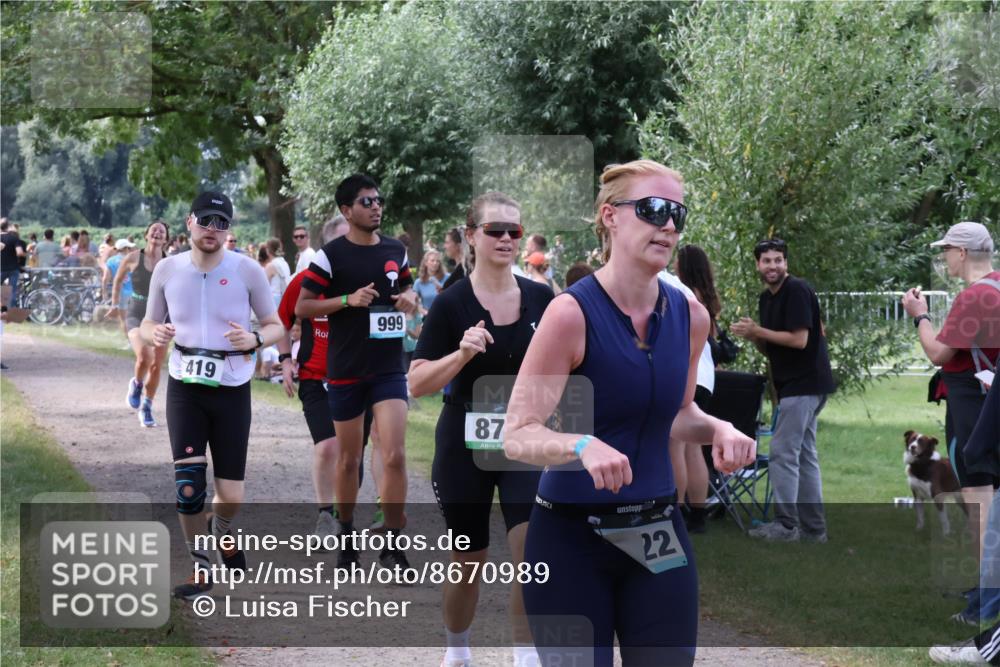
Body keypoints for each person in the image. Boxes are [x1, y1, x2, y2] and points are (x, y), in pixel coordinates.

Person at [504, 159, 755, 666]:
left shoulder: (691, 316)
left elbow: (678, 415)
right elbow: (516, 433)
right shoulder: (571, 313)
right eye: (653, 209)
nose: (667, 225)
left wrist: (720, 428)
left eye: (676, 215)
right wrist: (579, 443)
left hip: (656, 532)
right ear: (610, 217)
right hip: (569, 540)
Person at [409, 192, 552, 667]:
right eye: (496, 230)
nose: (508, 239)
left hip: (523, 435)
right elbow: (416, 382)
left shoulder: (541, 296)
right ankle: (458, 650)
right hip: (463, 438)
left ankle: (525, 655)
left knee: (531, 548)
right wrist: (462, 354)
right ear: (471, 236)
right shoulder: (452, 303)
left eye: (515, 230)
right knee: (469, 561)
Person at [141, 192, 283, 600]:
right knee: (188, 485)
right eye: (206, 221)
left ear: (229, 230)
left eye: (221, 224)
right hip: (185, 382)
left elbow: (276, 325)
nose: (213, 231)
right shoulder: (168, 270)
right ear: (189, 222)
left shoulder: (247, 270)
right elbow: (151, 321)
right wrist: (158, 333)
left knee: (230, 495)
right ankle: (201, 569)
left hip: (232, 385)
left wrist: (254, 339)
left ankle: (223, 532)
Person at [296, 173, 418, 571]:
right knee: (349, 460)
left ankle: (393, 544)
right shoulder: (330, 256)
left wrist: (409, 300)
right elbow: (304, 307)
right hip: (346, 369)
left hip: (388, 369)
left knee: (396, 454)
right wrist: (347, 300)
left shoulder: (396, 250)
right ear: (346, 211)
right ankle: (347, 535)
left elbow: (408, 289)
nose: (376, 206)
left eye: (378, 200)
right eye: (366, 201)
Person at [903, 221, 999, 625]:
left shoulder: (975, 296)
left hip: (972, 410)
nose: (944, 258)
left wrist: (919, 316)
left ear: (961, 252)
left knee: (980, 506)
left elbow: (939, 354)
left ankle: (985, 606)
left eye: (946, 250)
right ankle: (983, 592)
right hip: (990, 402)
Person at [731, 238, 836, 543]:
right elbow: (776, 346)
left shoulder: (797, 290)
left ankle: (786, 526)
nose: (773, 266)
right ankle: (814, 530)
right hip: (795, 385)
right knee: (803, 455)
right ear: (758, 265)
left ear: (786, 264)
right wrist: (755, 338)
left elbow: (799, 340)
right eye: (767, 261)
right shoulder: (768, 299)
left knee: (782, 454)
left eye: (778, 260)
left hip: (806, 384)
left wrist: (757, 331)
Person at [665, 243, 722, 534]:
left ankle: (673, 516)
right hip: (706, 377)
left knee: (675, 445)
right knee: (694, 448)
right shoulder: (706, 295)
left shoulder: (677, 291)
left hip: (687, 372)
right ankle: (697, 515)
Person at [109, 222, 170, 428]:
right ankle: (136, 384)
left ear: (166, 239)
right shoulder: (133, 257)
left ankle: (147, 406)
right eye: (154, 229)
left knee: (156, 364)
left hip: (161, 315)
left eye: (162, 231)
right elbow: (117, 281)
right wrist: (115, 304)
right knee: (144, 356)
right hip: (136, 311)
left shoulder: (170, 263)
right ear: (146, 235)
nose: (157, 232)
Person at [103, 239, 135, 338]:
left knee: (124, 319)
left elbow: (105, 278)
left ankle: (130, 342)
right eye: (129, 248)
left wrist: (104, 292)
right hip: (134, 292)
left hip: (120, 293)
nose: (130, 250)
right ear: (125, 249)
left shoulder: (111, 261)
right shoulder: (131, 260)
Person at [0, 220, 24, 307]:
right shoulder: (14, 238)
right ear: (7, 227)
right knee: (12, 291)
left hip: (1, 268)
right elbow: (19, 252)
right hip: (13, 268)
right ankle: (11, 313)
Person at [263, 238, 291, 307]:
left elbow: (264, 287)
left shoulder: (270, 266)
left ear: (268, 250)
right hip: (285, 298)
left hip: (274, 300)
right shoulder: (285, 263)